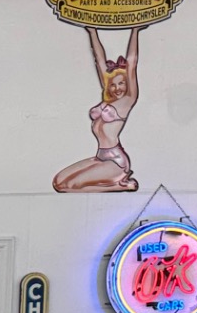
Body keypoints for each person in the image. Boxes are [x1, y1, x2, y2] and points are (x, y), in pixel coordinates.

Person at [53, 25, 139, 192]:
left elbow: (132, 62)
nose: (117, 88)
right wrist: (92, 32)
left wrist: (134, 31)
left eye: (121, 83)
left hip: (115, 162)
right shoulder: (106, 102)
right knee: (58, 182)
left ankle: (120, 185)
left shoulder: (127, 101)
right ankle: (116, 183)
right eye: (113, 85)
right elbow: (99, 60)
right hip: (101, 157)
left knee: (70, 186)